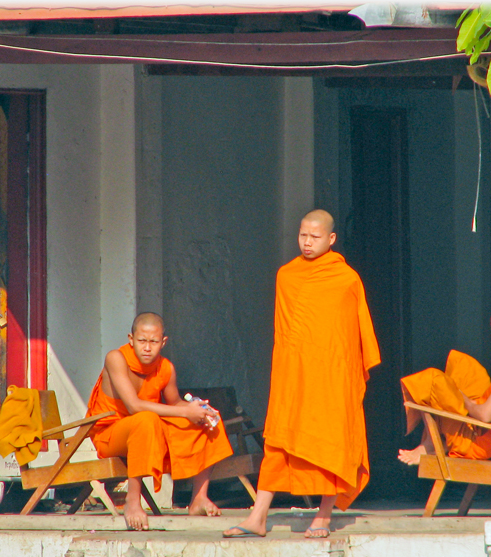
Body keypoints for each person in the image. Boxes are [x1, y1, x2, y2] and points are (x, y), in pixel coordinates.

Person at [223, 209, 380, 539]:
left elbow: (350, 336)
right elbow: (286, 333)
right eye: (302, 236)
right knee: (280, 442)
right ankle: (258, 516)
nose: (307, 243)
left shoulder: (345, 279)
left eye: (315, 237)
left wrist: (344, 376)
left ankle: (323, 516)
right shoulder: (287, 276)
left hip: (331, 379)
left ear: (331, 239)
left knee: (331, 442)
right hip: (294, 377)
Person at [86, 312, 234, 530]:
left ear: (163, 342)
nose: (147, 348)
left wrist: (199, 410)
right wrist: (185, 413)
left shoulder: (165, 368)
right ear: (130, 339)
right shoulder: (116, 358)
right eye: (142, 341)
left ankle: (199, 497)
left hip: (149, 429)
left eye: (153, 342)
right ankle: (133, 501)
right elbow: (134, 406)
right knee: (145, 419)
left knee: (208, 420)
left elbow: (174, 404)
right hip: (111, 434)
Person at [397, 300, 491, 465]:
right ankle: (434, 442)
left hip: (476, 442)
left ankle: (430, 444)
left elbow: (486, 415)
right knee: (463, 366)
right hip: (479, 430)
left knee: (433, 380)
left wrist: (465, 401)